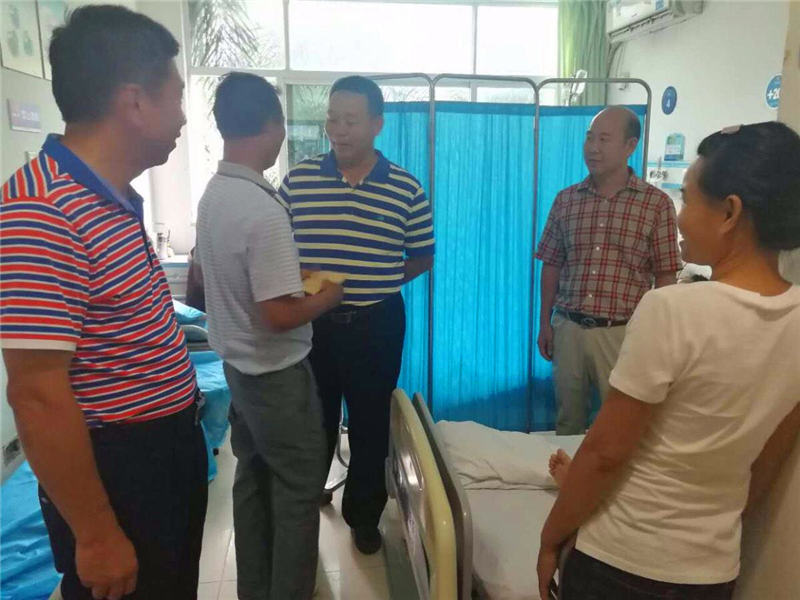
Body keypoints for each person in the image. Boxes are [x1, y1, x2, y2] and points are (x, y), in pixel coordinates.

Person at [537, 121, 800, 600]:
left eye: (687, 199)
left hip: (623, 562)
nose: (678, 217)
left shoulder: (672, 309)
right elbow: (766, 462)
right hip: (713, 570)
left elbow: (605, 454)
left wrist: (551, 536)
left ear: (729, 213)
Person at [0, 6, 206, 600]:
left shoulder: (109, 196)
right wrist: (95, 535)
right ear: (135, 101)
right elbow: (37, 392)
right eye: (177, 96)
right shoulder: (43, 210)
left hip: (163, 453)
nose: (183, 116)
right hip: (119, 471)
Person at [194, 72, 343, 600]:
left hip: (239, 369)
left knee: (253, 479)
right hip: (276, 376)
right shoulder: (263, 208)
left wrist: (289, 282)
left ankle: (255, 589)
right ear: (273, 125)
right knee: (300, 489)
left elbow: (232, 279)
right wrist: (327, 296)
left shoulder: (216, 194)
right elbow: (279, 315)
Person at [278, 75, 434, 554]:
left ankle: (363, 515)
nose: (338, 129)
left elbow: (421, 255)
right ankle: (307, 500)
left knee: (370, 422)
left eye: (350, 120)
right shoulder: (298, 181)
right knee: (313, 420)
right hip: (312, 325)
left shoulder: (405, 187)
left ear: (377, 124)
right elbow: (275, 250)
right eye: (332, 119)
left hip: (376, 324)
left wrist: (378, 280)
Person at [536, 106, 681, 435]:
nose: (593, 148)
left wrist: (658, 337)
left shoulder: (655, 204)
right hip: (569, 328)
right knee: (567, 422)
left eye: (604, 139)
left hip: (623, 333)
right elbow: (551, 263)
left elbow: (666, 277)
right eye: (589, 138)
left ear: (630, 146)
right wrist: (545, 322)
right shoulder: (566, 200)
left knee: (619, 427)